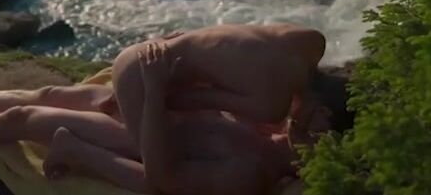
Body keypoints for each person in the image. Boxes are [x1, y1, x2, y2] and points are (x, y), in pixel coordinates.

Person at [0, 53, 343, 195]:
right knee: (49, 92)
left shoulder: (250, 173)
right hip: (148, 109)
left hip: (135, 137)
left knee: (23, 118)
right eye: (310, 111)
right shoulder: (273, 126)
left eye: (315, 122)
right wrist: (156, 87)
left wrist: (85, 153)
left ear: (324, 151)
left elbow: (162, 177)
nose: (304, 116)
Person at [112, 24, 326, 146]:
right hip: (141, 72)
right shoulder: (271, 106)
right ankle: (89, 136)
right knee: (154, 158)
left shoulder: (312, 42)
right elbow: (190, 99)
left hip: (155, 47)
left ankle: (113, 103)